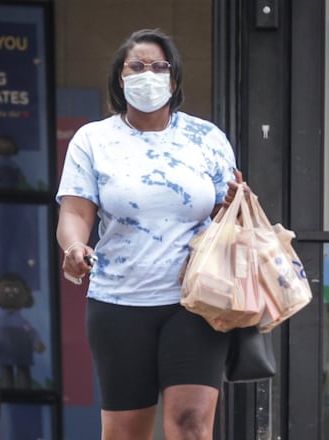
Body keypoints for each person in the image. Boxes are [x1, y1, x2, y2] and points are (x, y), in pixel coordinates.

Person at [55, 28, 245, 440]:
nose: (149, 74)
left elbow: (226, 215)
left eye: (160, 67)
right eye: (137, 67)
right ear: (120, 79)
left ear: (174, 80)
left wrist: (232, 203)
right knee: (126, 434)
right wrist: (74, 246)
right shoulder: (94, 139)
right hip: (119, 302)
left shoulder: (206, 138)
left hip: (196, 300)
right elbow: (75, 210)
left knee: (192, 424)